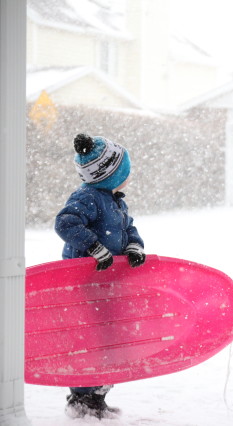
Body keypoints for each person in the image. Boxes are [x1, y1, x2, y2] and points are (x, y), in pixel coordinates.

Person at [54, 133, 146, 419]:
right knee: (88, 338)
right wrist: (94, 247)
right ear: (109, 175)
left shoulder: (115, 200)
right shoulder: (87, 197)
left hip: (107, 285)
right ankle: (81, 399)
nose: (128, 177)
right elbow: (65, 223)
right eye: (125, 172)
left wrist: (134, 246)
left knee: (110, 337)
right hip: (84, 284)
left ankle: (97, 396)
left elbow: (128, 228)